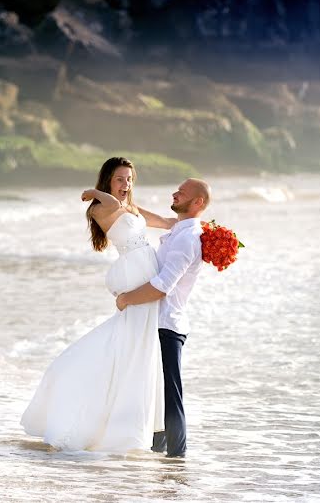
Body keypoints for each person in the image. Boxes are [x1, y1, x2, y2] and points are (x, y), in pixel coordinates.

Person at [20, 157, 176, 452]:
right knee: (131, 343)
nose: (126, 185)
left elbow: (165, 222)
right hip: (134, 273)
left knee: (137, 346)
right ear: (107, 180)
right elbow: (114, 206)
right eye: (119, 179)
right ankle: (105, 419)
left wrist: (189, 226)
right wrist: (95, 192)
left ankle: (127, 422)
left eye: (129, 179)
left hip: (146, 271)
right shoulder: (101, 207)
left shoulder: (129, 207)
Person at [116, 178, 211, 458]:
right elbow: (147, 217)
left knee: (171, 396)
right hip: (157, 322)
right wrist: (120, 203)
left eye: (182, 192)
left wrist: (126, 299)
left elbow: (162, 286)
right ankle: (160, 456)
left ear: (198, 203)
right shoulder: (180, 230)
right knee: (158, 395)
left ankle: (177, 459)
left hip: (167, 325)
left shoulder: (187, 238)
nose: (174, 192)